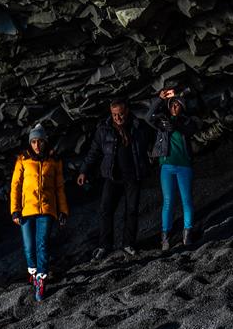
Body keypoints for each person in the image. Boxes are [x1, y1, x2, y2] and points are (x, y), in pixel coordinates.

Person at [77, 99, 155, 259]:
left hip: (133, 176)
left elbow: (153, 141)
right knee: (106, 210)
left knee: (131, 211)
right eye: (114, 115)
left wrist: (153, 158)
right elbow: (94, 152)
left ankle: (128, 243)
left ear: (127, 111)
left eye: (120, 114)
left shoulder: (138, 126)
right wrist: (83, 171)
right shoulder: (104, 130)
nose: (118, 118)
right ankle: (105, 245)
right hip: (112, 177)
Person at [11, 123, 69, 300]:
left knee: (42, 244)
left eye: (40, 141)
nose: (37, 145)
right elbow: (15, 186)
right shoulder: (22, 159)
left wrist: (63, 210)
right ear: (30, 143)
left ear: (45, 141)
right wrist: (15, 210)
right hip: (26, 210)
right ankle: (34, 272)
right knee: (29, 247)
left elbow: (59, 188)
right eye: (34, 141)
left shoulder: (54, 161)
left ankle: (41, 280)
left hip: (47, 209)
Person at [150, 87, 199, 250]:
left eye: (177, 104)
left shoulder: (187, 122)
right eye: (172, 104)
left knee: (187, 200)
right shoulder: (162, 121)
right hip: (167, 166)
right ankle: (165, 237)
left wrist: (175, 124)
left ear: (182, 107)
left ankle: (187, 234)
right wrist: (160, 99)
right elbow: (148, 117)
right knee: (168, 201)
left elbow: (191, 129)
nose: (174, 107)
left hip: (184, 166)